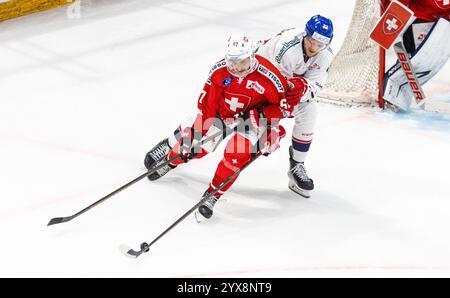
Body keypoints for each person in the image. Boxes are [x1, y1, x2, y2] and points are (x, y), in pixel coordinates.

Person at [143, 34, 305, 220]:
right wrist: (195, 136)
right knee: (195, 146)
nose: (237, 68)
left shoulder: (269, 76)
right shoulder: (219, 71)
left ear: (251, 56)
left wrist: (268, 130)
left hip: (252, 121)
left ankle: (213, 194)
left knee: (236, 153)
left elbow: (284, 108)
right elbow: (207, 110)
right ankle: (170, 161)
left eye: (242, 62)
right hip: (223, 115)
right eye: (233, 62)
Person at [256, 15, 334, 198]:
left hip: (280, 87)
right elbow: (276, 88)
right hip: (254, 80)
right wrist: (269, 127)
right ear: (305, 35)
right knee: (223, 120)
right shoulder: (289, 48)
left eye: (319, 45)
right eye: (312, 41)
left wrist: (302, 87)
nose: (314, 48)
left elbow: (315, 86)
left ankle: (297, 165)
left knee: (310, 110)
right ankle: (180, 145)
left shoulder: (326, 55)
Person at [380, 0, 450, 111]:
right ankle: (392, 92)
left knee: (429, 64)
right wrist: (389, 11)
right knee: (414, 63)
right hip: (420, 19)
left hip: (443, 24)